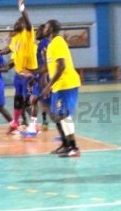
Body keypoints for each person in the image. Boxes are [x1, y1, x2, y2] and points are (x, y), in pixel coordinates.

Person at [0, 0, 38, 132]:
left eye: (21, 21)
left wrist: (21, 8)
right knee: (18, 99)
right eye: (18, 21)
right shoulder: (16, 38)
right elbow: (9, 49)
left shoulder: (28, 33)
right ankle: (15, 122)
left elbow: (27, 20)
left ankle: (33, 124)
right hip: (18, 74)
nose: (18, 23)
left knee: (29, 99)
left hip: (29, 73)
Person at [42, 19, 82, 158]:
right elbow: (52, 68)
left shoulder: (57, 42)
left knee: (64, 115)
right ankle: (66, 145)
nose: (44, 28)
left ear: (51, 29)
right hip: (59, 85)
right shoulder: (51, 44)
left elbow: (62, 66)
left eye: (46, 26)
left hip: (66, 84)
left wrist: (48, 85)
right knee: (57, 115)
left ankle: (74, 147)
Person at [22, 23, 52, 137]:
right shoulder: (40, 44)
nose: (37, 33)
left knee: (47, 105)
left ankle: (63, 127)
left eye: (39, 30)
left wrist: (35, 73)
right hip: (40, 76)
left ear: (45, 32)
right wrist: (34, 77)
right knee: (33, 100)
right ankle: (33, 127)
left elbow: (46, 64)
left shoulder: (45, 44)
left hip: (45, 76)